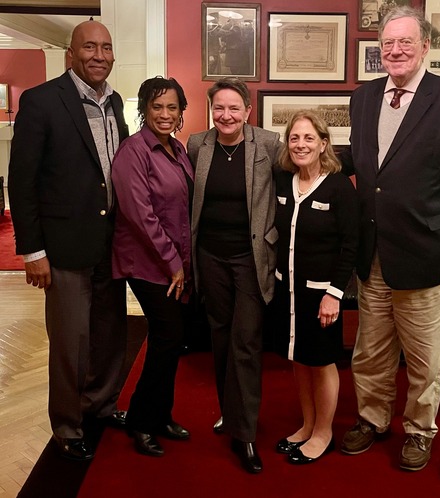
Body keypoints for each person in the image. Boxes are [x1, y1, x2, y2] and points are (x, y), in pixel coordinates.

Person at [339, 6, 440, 472]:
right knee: (371, 350)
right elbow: (365, 169)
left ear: (425, 47)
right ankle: (372, 419)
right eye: (387, 44)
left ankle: (420, 431)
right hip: (373, 252)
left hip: (428, 252)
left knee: (425, 358)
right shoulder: (362, 99)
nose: (395, 50)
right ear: (378, 50)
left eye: (405, 42)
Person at [8, 20, 129, 461]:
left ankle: (101, 404)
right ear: (71, 53)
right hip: (63, 245)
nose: (99, 55)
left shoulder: (114, 102)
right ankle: (67, 424)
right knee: (70, 341)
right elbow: (22, 183)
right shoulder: (41, 101)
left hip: (112, 243)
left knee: (109, 333)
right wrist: (32, 250)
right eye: (89, 47)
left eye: (106, 48)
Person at [187, 77, 281, 474]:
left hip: (250, 257)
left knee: (246, 340)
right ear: (212, 110)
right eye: (219, 108)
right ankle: (230, 414)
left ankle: (245, 434)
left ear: (248, 111)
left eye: (233, 108)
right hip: (209, 256)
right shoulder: (197, 145)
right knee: (221, 337)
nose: (225, 115)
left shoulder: (270, 144)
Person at [111, 76, 193, 457]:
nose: (165, 114)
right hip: (146, 264)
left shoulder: (177, 148)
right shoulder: (134, 151)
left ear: (181, 112)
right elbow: (139, 216)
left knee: (171, 341)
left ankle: (160, 415)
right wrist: (174, 264)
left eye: (172, 107)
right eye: (157, 106)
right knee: (166, 338)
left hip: (174, 264)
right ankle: (143, 421)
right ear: (144, 109)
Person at [273, 110, 358, 465]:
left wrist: (334, 294)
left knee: (322, 362)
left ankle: (324, 433)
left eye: (309, 138)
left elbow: (351, 244)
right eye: (294, 138)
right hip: (287, 291)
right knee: (299, 358)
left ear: (324, 144)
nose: (301, 144)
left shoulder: (339, 187)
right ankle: (307, 425)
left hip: (322, 294)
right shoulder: (282, 180)